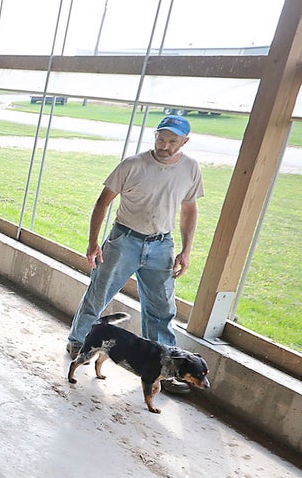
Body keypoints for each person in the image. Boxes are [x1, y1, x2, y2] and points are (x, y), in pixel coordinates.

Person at [66, 113, 205, 390]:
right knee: (99, 293)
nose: (164, 145)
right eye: (161, 138)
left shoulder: (190, 169)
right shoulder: (133, 165)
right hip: (124, 239)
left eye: (172, 141)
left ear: (185, 142)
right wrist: (94, 242)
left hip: (162, 245)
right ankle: (79, 341)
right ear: (155, 136)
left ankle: (169, 364)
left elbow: (189, 210)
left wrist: (187, 250)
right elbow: (103, 202)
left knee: (162, 308)